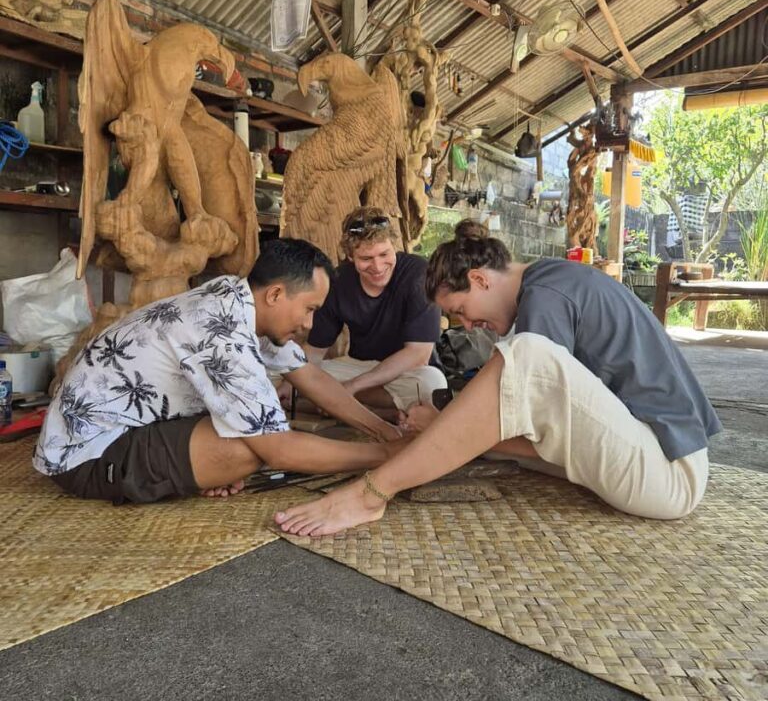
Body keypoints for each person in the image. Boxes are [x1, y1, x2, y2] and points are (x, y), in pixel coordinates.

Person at [275, 221, 721, 536]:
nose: (468, 326)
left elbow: (528, 413)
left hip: (667, 475)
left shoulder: (546, 297)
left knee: (524, 357)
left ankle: (372, 494)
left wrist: (444, 427)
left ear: (479, 280)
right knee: (484, 415)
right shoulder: (549, 283)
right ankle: (418, 452)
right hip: (647, 456)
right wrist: (455, 429)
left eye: (461, 312)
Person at [35, 238, 402, 505]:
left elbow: (310, 376)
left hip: (123, 426)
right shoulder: (220, 329)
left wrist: (384, 431)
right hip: (86, 454)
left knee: (246, 433)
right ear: (275, 294)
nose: (309, 324)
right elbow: (279, 450)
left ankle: (189, 470)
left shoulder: (236, 297)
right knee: (245, 450)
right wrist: (388, 456)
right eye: (309, 309)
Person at [281, 206, 447, 421]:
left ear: (394, 246)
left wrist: (351, 387)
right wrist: (291, 382)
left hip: (407, 371)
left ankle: (334, 403)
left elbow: (418, 355)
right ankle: (376, 412)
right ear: (350, 256)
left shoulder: (419, 274)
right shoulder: (338, 281)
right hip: (359, 367)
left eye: (384, 254)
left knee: (431, 384)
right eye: (366, 258)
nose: (378, 266)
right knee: (282, 372)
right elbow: (315, 351)